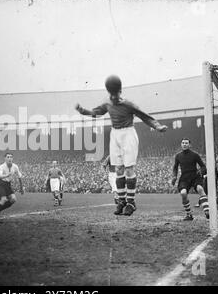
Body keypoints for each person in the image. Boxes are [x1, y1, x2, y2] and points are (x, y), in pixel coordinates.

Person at [75, 75, 167, 216]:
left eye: (115, 93)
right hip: (115, 134)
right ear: (109, 92)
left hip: (128, 134)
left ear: (120, 91)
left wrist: (157, 126)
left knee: (129, 169)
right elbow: (96, 113)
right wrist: (83, 111)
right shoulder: (107, 103)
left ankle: (131, 202)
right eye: (111, 94)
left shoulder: (128, 104)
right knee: (118, 169)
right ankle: (122, 201)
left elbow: (144, 116)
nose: (113, 97)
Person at [171, 138, 209, 220]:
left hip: (195, 176)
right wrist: (174, 176)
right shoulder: (178, 156)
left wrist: (201, 171)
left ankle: (207, 211)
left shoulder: (195, 155)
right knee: (183, 193)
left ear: (189, 145)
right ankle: (189, 214)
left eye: (186, 143)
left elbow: (203, 166)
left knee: (200, 189)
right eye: (183, 143)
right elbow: (175, 168)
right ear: (181, 144)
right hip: (184, 177)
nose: (184, 144)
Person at [0, 153, 24, 223]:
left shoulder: (15, 166)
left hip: (7, 184)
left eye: (11, 157)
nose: (10, 158)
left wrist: (21, 188)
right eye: (8, 157)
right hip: (0, 184)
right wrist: (6, 175)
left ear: (12, 159)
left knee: (13, 199)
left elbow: (20, 176)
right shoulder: (2, 166)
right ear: (5, 159)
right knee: (3, 200)